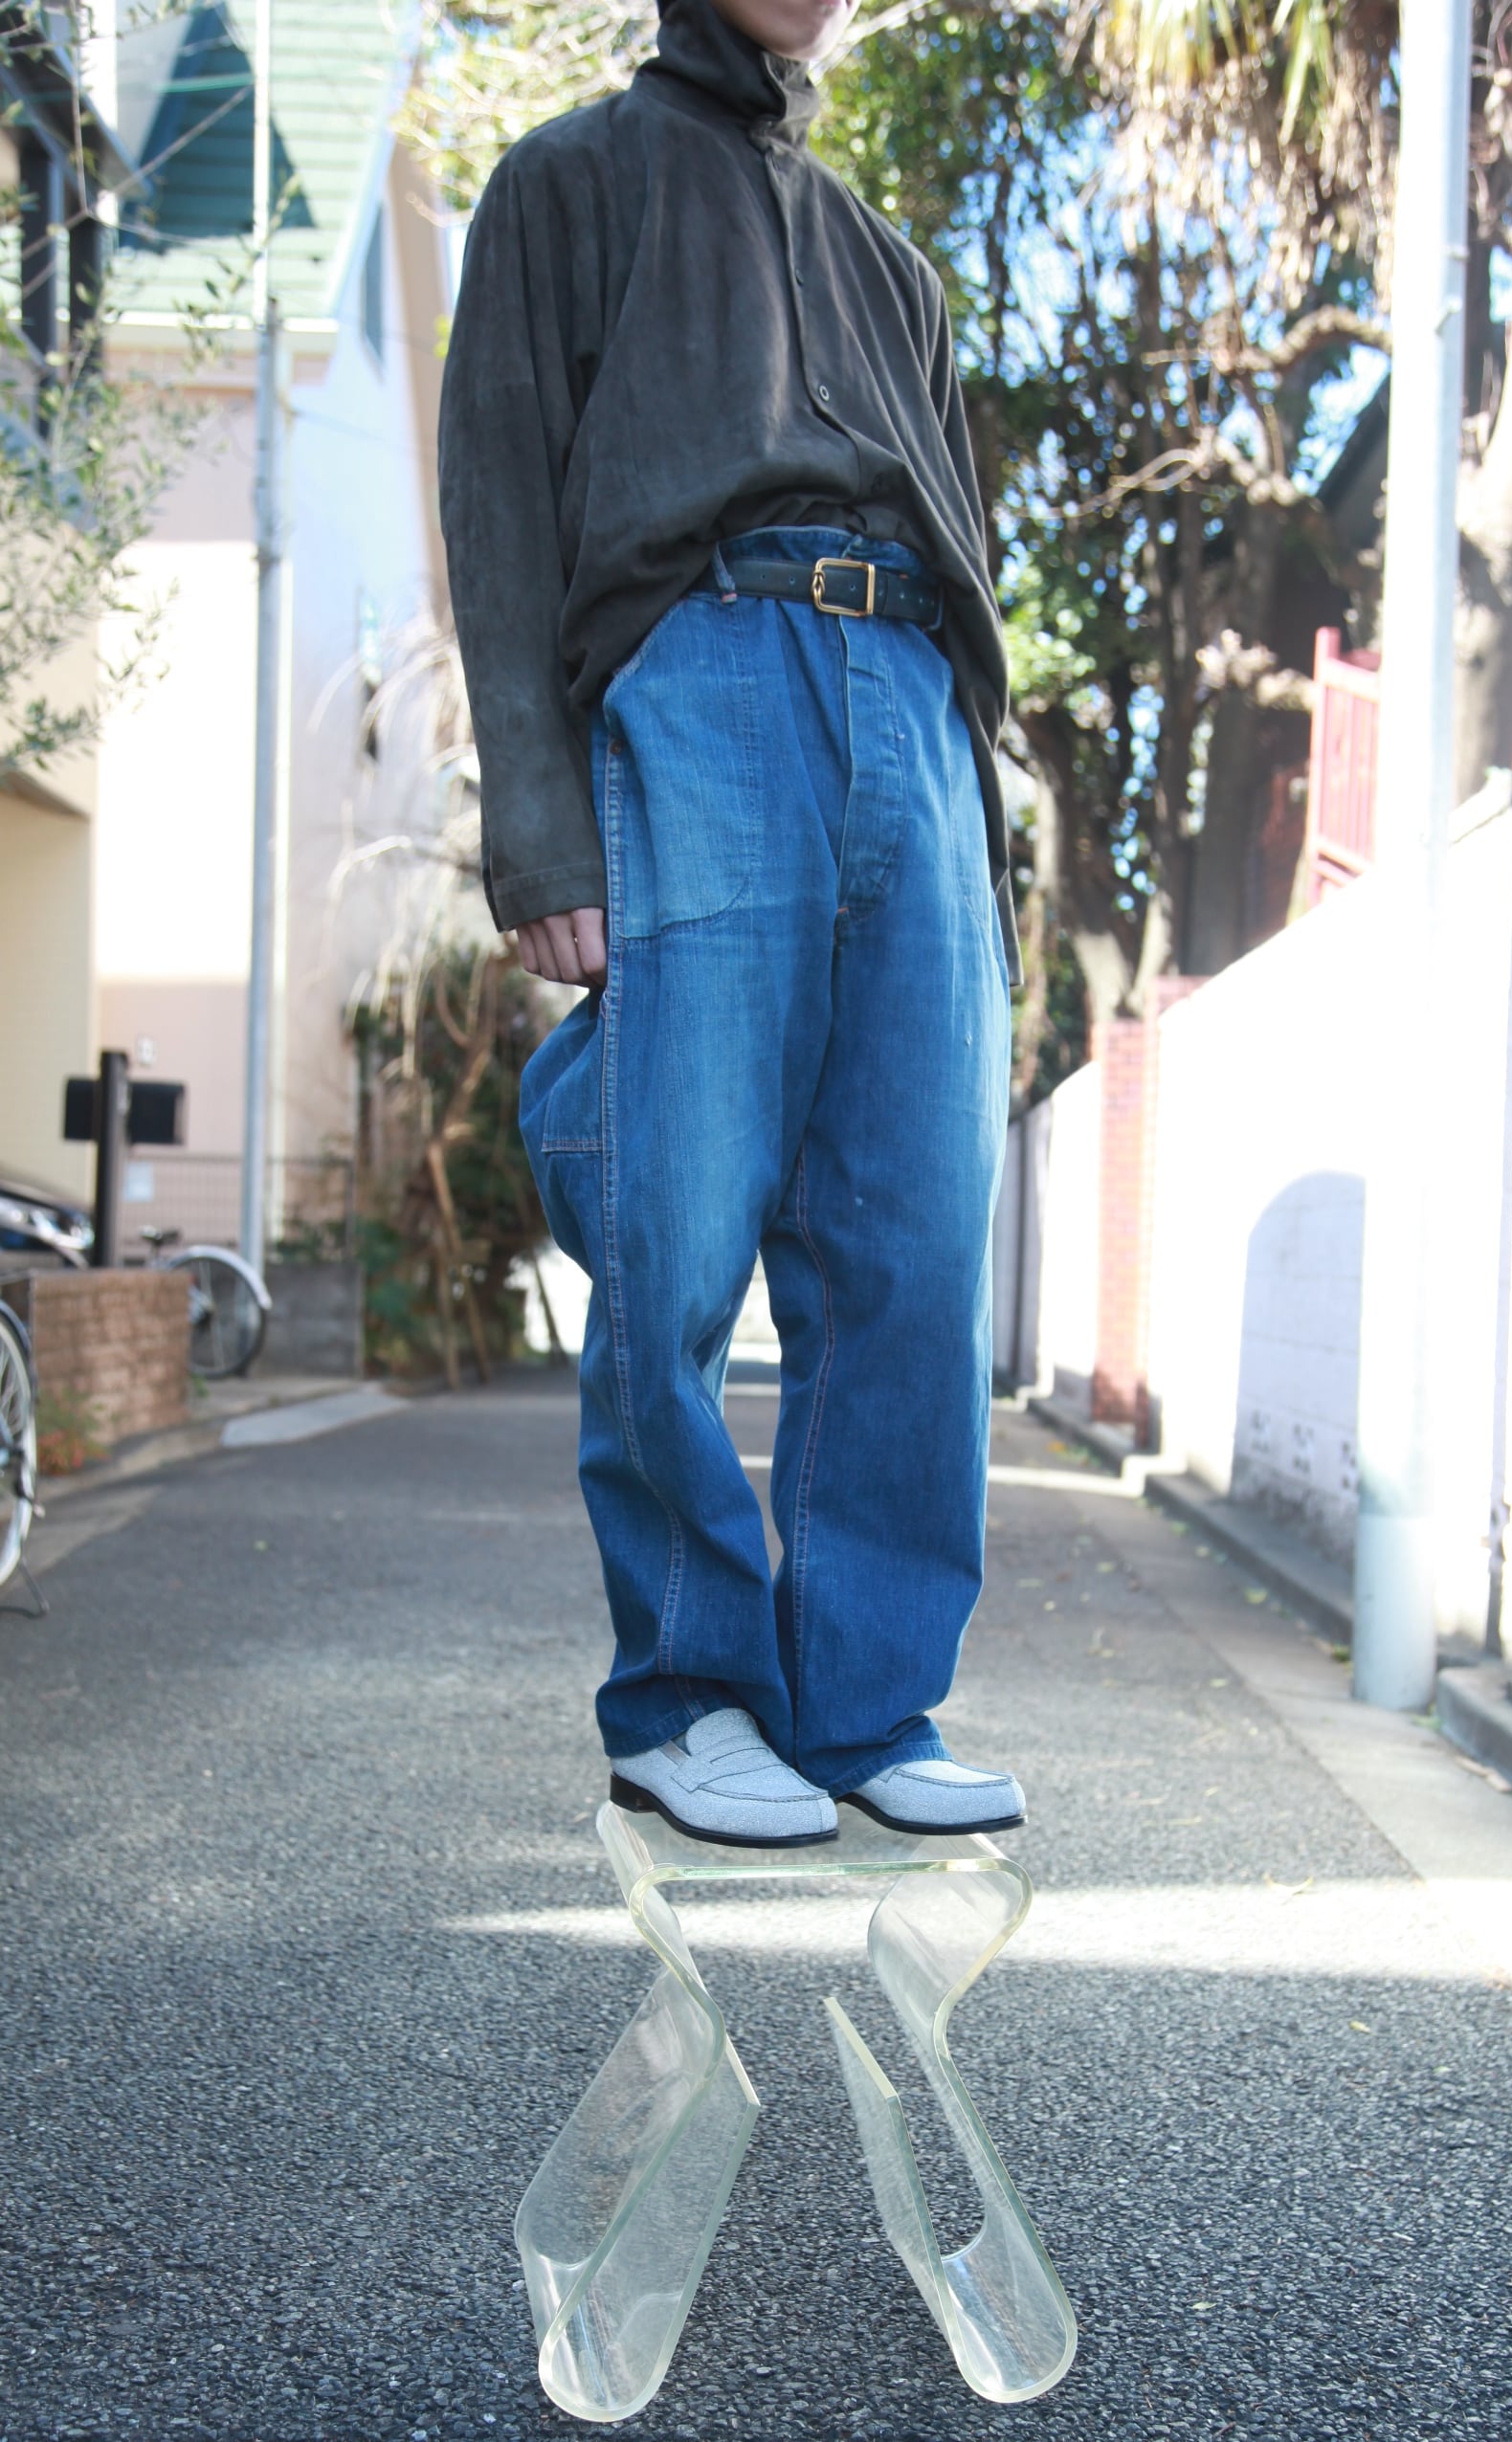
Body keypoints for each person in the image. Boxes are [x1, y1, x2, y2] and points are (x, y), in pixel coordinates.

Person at [438, 0, 1026, 1849]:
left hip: (911, 705)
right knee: (677, 1226)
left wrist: (978, 821)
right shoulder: (569, 182)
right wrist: (540, 827)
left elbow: (968, 555)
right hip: (700, 676)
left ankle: (866, 1703)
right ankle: (686, 1695)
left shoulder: (888, 264)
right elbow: (499, 511)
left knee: (914, 1237)